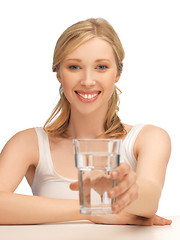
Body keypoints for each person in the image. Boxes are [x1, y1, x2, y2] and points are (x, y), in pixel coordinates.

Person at [0, 18, 172, 225]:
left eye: (101, 66)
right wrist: (89, 210)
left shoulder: (149, 138)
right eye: (74, 67)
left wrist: (131, 189)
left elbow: (149, 201)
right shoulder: (28, 142)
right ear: (58, 74)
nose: (88, 81)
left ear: (117, 73)